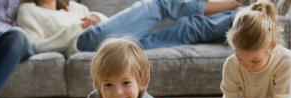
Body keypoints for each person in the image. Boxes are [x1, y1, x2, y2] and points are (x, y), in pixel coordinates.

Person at [16, 0, 242, 56]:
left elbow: (107, 25)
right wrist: (75, 28)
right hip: (84, 43)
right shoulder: (29, 10)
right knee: (156, 4)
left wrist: (97, 17)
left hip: (115, 46)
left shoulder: (76, 7)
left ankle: (243, 16)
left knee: (186, 30)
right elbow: (34, 46)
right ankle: (235, 2)